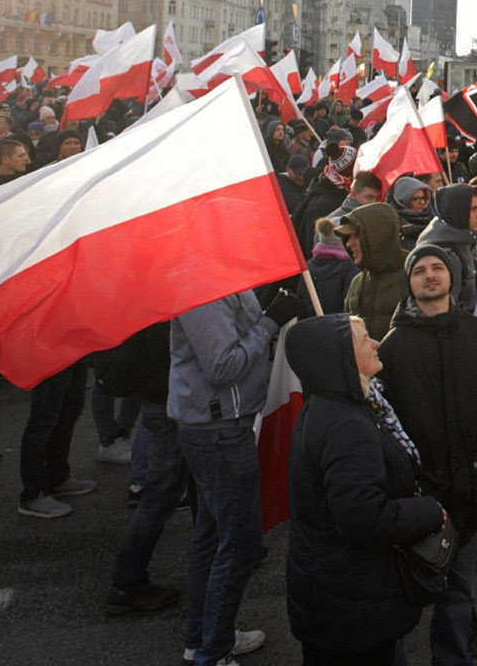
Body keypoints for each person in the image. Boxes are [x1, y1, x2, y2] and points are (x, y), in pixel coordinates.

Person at [285, 314, 450, 666]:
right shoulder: (347, 425)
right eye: (363, 340)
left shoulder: (334, 406)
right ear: (339, 359)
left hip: (334, 598)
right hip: (354, 606)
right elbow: (363, 518)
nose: (376, 342)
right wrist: (428, 512)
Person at [378, 242, 477, 665]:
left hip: (469, 489)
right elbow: (385, 424)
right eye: (419, 271)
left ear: (452, 276)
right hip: (418, 498)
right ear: (410, 282)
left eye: (437, 268)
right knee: (404, 596)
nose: (429, 275)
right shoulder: (392, 347)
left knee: (458, 594)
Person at [170, 285, 301, 666]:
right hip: (218, 430)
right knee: (239, 542)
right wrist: (269, 320)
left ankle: (207, 638)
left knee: (213, 535)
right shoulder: (203, 290)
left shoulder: (221, 280)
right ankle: (212, 651)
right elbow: (222, 366)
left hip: (222, 425)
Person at [104, 317, 183, 617]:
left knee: (195, 488)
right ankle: (127, 582)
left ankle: (223, 556)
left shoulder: (153, 294)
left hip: (163, 398)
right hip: (167, 401)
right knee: (159, 498)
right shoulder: (163, 302)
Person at [339, 203, 409, 342]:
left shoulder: (413, 275)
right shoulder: (357, 282)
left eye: (356, 236)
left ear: (376, 235)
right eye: (347, 237)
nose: (348, 244)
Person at [413, 184, 477, 311]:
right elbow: (447, 309)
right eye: (473, 209)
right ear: (457, 211)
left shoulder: (465, 241)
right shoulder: (446, 254)